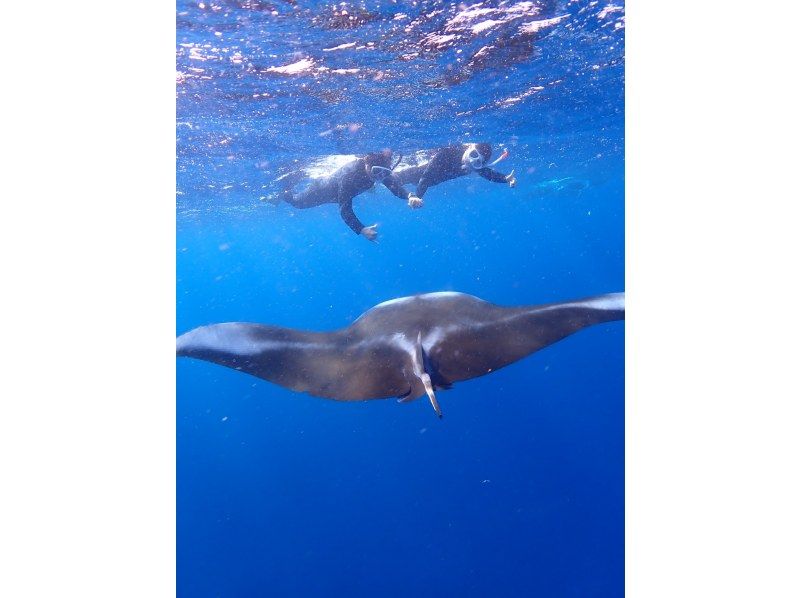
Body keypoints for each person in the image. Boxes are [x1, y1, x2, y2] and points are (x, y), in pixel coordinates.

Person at [268, 149, 421, 241]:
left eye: (385, 173)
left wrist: (410, 196)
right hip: (321, 191)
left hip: (340, 191)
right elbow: (344, 209)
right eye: (376, 172)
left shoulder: (380, 170)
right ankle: (285, 192)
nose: (380, 176)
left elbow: (395, 187)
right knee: (298, 203)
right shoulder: (351, 176)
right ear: (367, 165)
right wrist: (361, 229)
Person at [393, 142, 516, 207]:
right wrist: (418, 196)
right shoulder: (448, 152)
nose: (472, 161)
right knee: (391, 180)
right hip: (414, 174)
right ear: (469, 148)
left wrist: (505, 178)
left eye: (478, 162)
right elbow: (426, 177)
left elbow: (488, 174)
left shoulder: (474, 165)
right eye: (473, 155)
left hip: (427, 181)